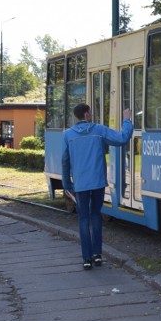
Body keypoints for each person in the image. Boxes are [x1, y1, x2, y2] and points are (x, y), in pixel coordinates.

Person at [62, 103, 133, 270]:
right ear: (86, 114)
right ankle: (97, 255)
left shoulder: (68, 135)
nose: (91, 115)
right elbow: (122, 138)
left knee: (83, 219)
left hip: (80, 184)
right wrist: (127, 120)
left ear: (76, 116)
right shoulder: (99, 130)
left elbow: (65, 161)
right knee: (95, 216)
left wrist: (67, 184)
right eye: (90, 112)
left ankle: (86, 259)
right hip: (98, 182)